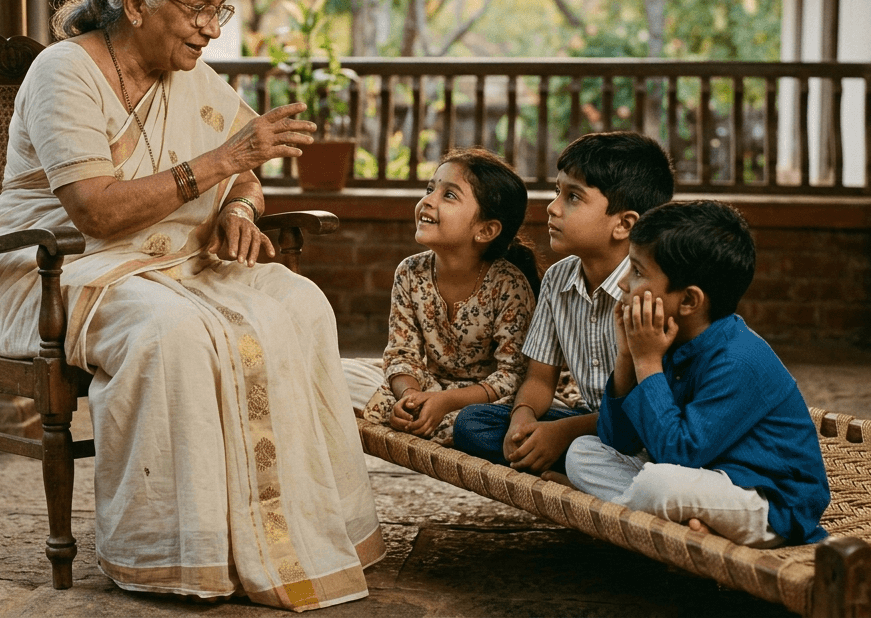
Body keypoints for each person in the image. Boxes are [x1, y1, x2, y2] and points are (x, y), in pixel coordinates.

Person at [0, 0, 383, 611]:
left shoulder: (191, 78)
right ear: (136, 3)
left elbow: (246, 170)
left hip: (165, 265)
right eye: (199, 7)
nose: (211, 28)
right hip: (56, 273)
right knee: (175, 334)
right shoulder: (64, 72)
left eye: (218, 8)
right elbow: (97, 214)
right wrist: (225, 163)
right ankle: (175, 553)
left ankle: (277, 531)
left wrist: (240, 210)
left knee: (299, 303)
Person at [565, 201, 830, 547]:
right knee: (582, 453)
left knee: (659, 484)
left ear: (689, 301)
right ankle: (678, 519)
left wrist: (648, 362)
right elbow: (619, 440)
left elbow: (679, 453)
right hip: (702, 475)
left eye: (639, 272)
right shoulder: (669, 337)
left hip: (766, 500)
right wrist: (627, 356)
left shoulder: (739, 360)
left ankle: (639, 513)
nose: (623, 284)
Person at [452, 132, 674, 474]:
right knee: (473, 424)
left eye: (573, 197)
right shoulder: (558, 279)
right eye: (558, 191)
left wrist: (562, 432)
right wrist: (522, 418)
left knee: (639, 455)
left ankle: (577, 469)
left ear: (624, 224)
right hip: (587, 424)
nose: (553, 207)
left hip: (645, 429)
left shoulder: (650, 292)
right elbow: (540, 379)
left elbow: (652, 408)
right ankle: (570, 468)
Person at [342, 148, 549, 445]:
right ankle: (419, 416)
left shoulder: (508, 285)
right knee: (338, 373)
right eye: (430, 189)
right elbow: (402, 355)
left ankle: (446, 424)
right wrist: (411, 398)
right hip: (430, 388)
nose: (428, 200)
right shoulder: (410, 273)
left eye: (449, 195)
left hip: (483, 401)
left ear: (485, 230)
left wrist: (446, 403)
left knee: (474, 425)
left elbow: (512, 375)